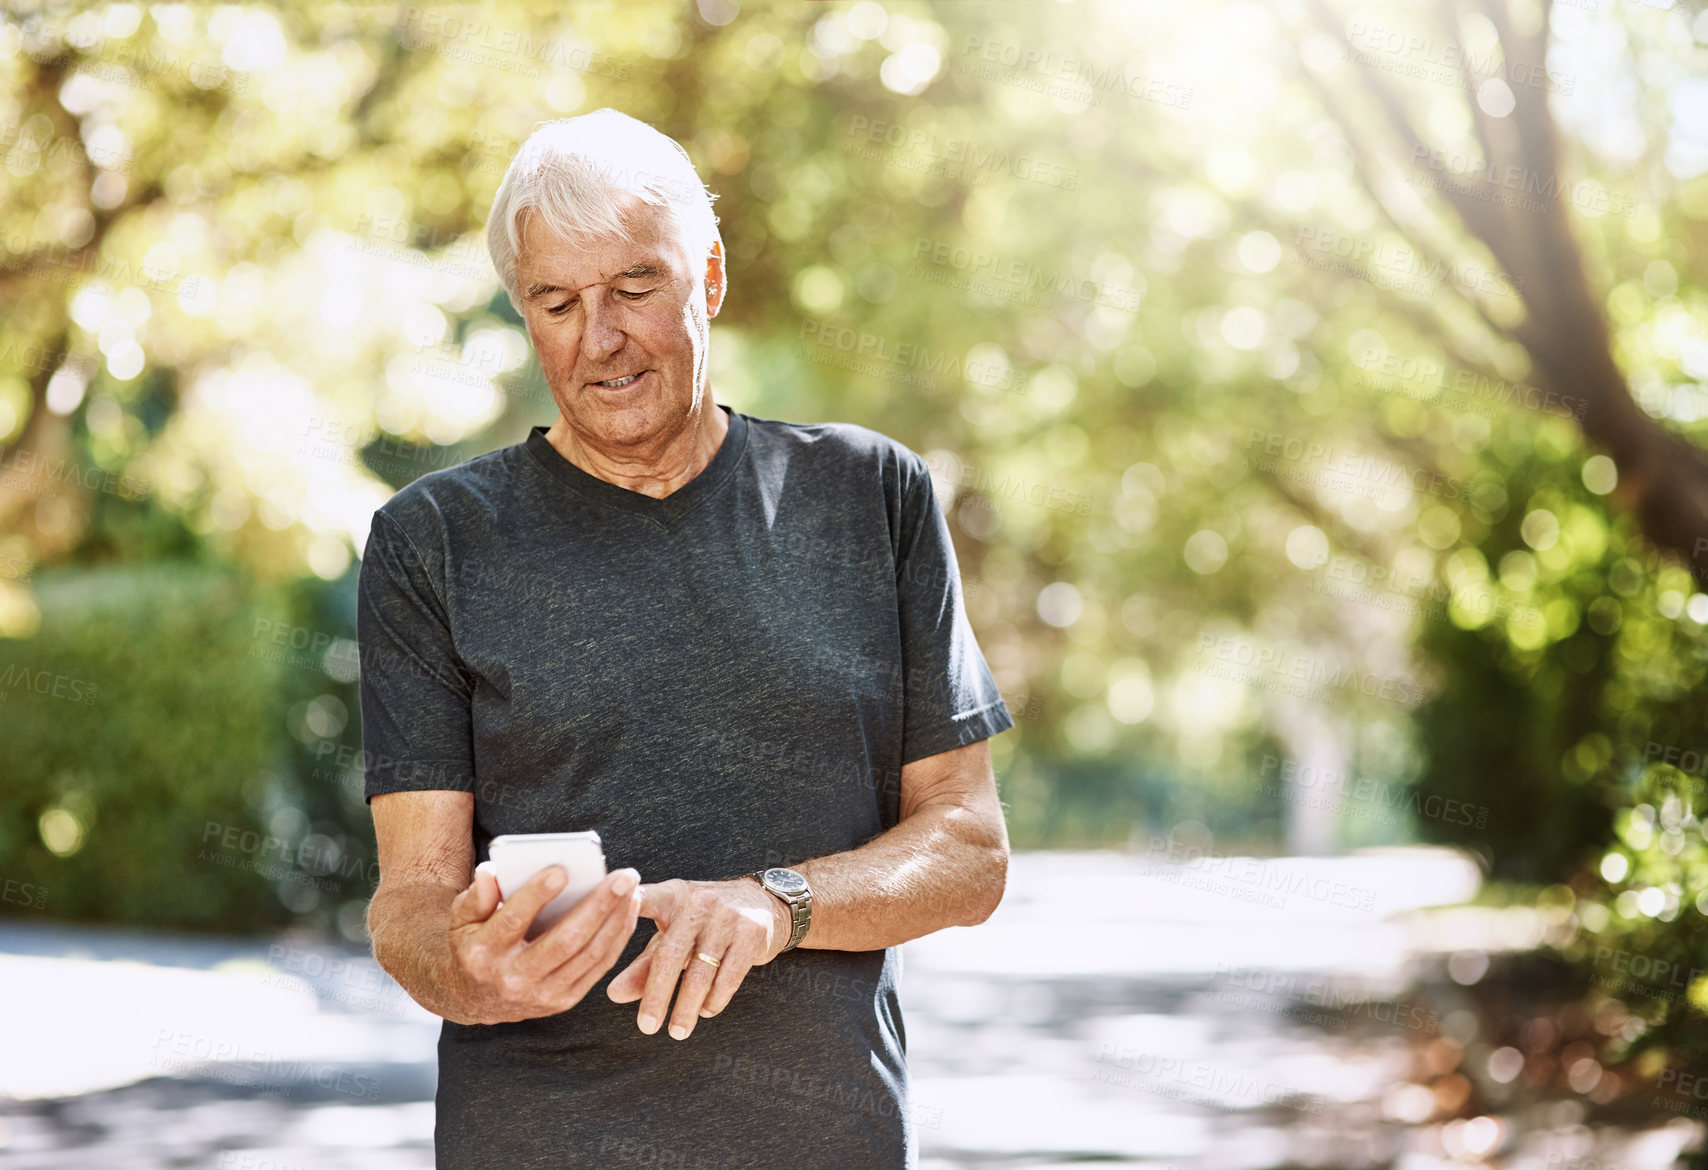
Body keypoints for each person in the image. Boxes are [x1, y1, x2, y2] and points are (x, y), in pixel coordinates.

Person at [358, 107, 1014, 1169]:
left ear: (707, 277)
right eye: (557, 303)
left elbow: (968, 853)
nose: (598, 338)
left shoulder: (869, 497)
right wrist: (467, 965)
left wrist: (778, 904)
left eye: (633, 288)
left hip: (823, 1139)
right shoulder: (431, 541)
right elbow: (410, 903)